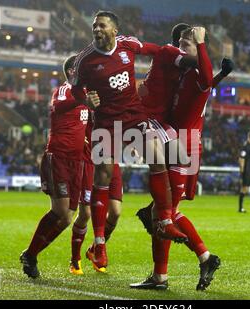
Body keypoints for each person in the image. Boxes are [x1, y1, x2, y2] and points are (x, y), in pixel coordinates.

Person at [71, 11, 187, 272]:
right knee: (103, 176)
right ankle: (99, 244)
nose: (96, 29)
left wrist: (180, 59)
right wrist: (85, 100)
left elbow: (156, 50)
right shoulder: (85, 60)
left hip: (135, 116)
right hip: (106, 124)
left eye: (101, 25)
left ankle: (165, 220)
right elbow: (75, 87)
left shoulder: (127, 44)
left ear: (114, 30)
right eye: (94, 26)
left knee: (158, 158)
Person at [131, 27, 221, 291]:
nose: (182, 46)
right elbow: (204, 82)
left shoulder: (197, 74)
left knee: (166, 212)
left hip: (184, 146)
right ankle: (165, 274)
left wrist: (202, 45)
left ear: (199, 49)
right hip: (172, 140)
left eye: (188, 44)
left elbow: (205, 79)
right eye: (180, 42)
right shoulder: (186, 73)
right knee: (162, 212)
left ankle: (201, 258)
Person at [19, 55, 99, 278]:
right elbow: (59, 105)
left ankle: (31, 254)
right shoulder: (65, 89)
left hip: (78, 162)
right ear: (73, 71)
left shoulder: (86, 95)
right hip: (60, 157)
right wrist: (84, 102)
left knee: (66, 218)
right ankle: (31, 254)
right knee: (61, 211)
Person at [70, 110, 123, 274]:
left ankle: (94, 249)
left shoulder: (116, 98)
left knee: (115, 212)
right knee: (85, 213)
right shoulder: (87, 96)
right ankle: (75, 259)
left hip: (110, 160)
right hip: (89, 160)